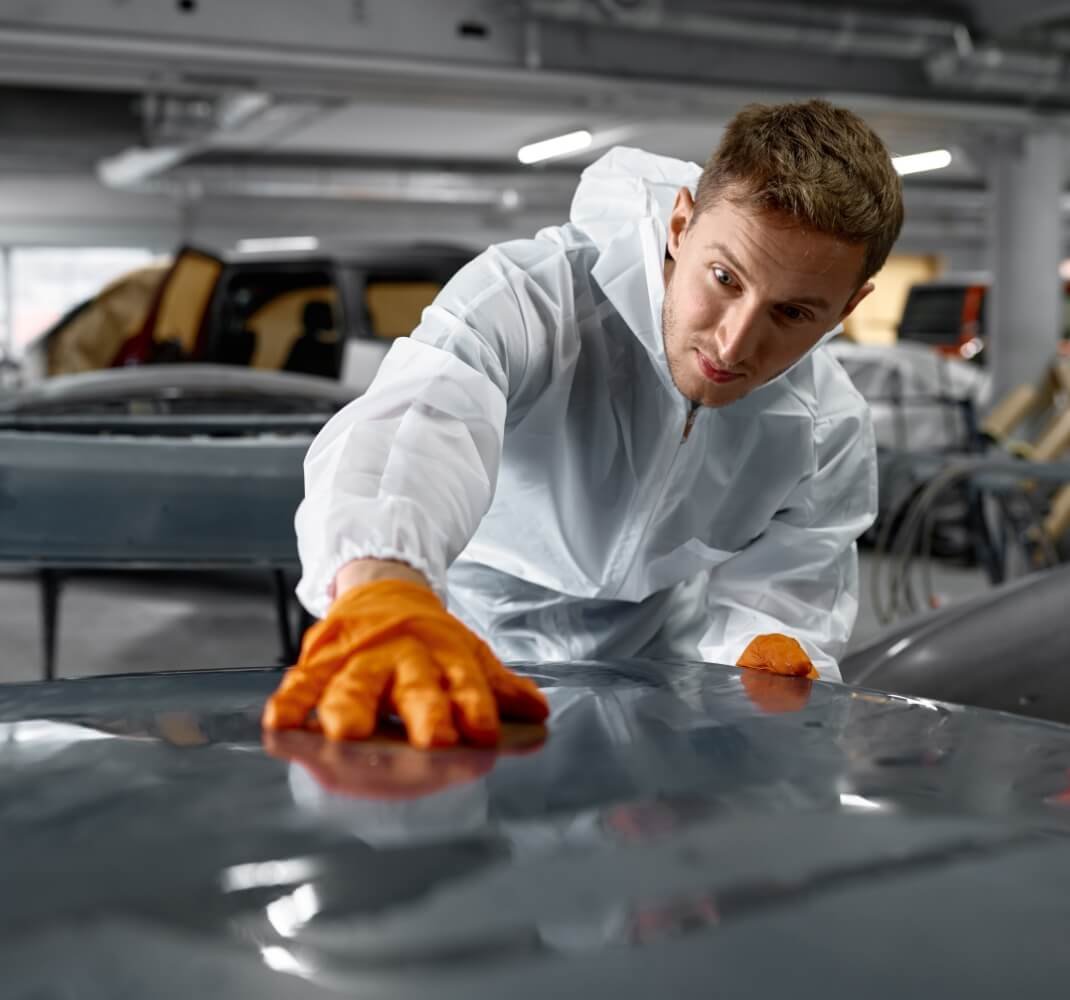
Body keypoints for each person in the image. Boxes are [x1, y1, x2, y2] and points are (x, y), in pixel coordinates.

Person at [263, 99, 903, 747]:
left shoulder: (826, 426)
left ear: (848, 307)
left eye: (793, 314)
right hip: (449, 647)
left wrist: (761, 674)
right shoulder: (531, 297)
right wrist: (385, 592)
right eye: (724, 278)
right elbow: (416, 427)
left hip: (655, 692)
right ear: (681, 224)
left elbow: (785, 597)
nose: (734, 345)